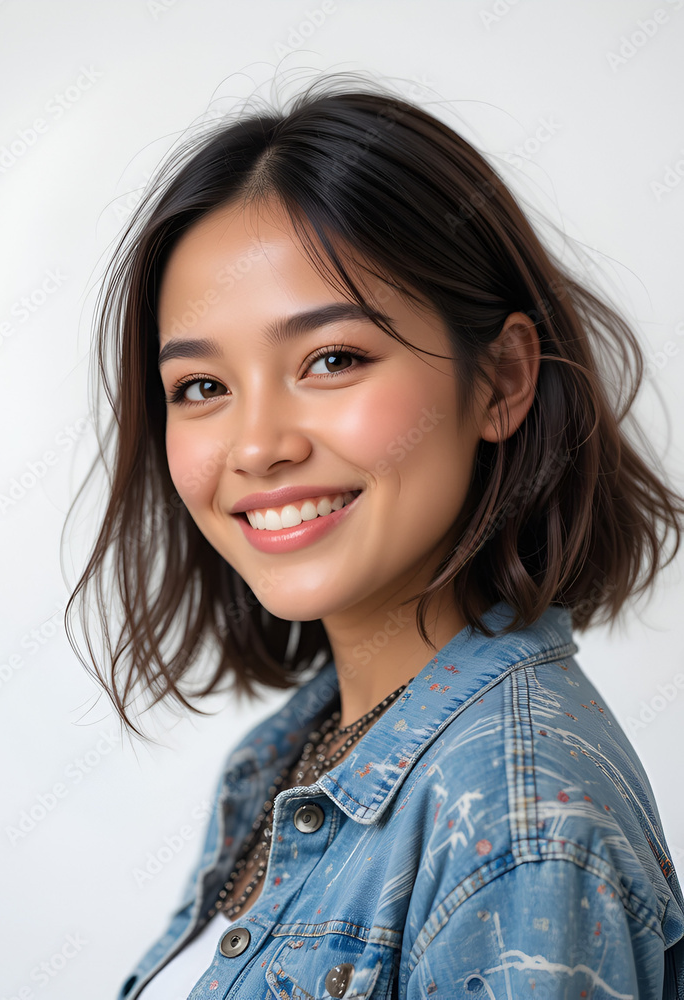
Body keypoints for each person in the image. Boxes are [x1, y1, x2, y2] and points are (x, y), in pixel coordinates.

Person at [65, 73, 684, 998]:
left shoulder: (515, 826)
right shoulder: (290, 756)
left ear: (502, 380)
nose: (258, 446)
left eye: (333, 359)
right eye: (201, 386)